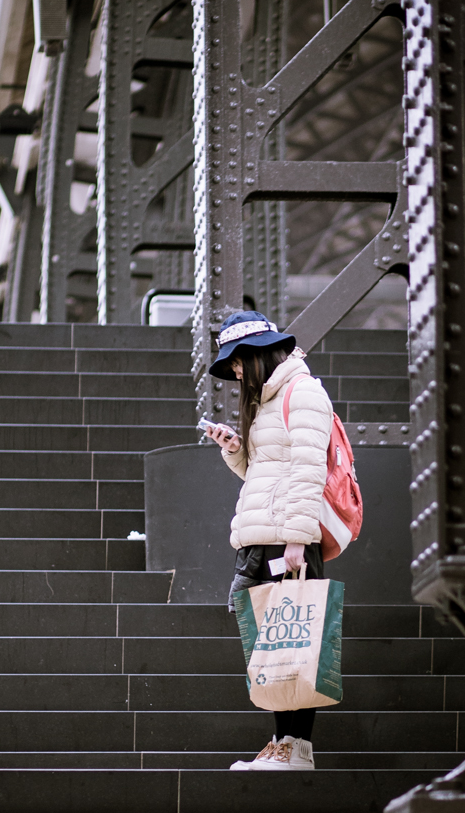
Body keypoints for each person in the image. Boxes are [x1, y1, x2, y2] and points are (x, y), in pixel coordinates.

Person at [205, 310, 333, 772]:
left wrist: (298, 539)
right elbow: (266, 472)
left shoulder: (303, 392)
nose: (236, 372)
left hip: (288, 542)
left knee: (294, 644)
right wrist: (236, 451)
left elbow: (308, 468)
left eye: (237, 362)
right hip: (263, 539)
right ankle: (281, 743)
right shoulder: (269, 402)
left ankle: (296, 749)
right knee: (272, 648)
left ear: (259, 353)